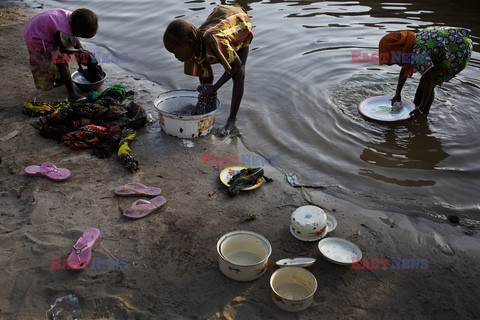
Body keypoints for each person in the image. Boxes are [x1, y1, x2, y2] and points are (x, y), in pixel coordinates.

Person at [163, 5, 253, 136]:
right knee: (206, 77)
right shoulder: (193, 47)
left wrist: (215, 87)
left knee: (239, 74)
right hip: (220, 17)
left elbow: (236, 66)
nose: (176, 57)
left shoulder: (213, 41)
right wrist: (202, 101)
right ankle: (205, 109)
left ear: (189, 43)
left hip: (238, 22)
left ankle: (232, 120)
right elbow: (205, 75)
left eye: (176, 52)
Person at [378, 27, 472, 119]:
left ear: (398, 52)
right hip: (443, 42)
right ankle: (417, 108)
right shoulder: (407, 47)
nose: (396, 63)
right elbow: (404, 70)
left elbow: (429, 83)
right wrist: (397, 93)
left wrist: (420, 109)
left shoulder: (418, 54)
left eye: (395, 61)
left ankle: (423, 114)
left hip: (457, 47)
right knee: (424, 81)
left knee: (430, 81)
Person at [24, 8, 98, 100]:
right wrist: (79, 52)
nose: (79, 37)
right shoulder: (63, 29)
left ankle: (60, 78)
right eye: (81, 35)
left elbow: (74, 39)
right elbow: (64, 50)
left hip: (35, 28)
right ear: (77, 28)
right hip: (37, 38)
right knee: (61, 61)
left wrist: (83, 53)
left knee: (60, 57)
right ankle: (71, 94)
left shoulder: (73, 18)